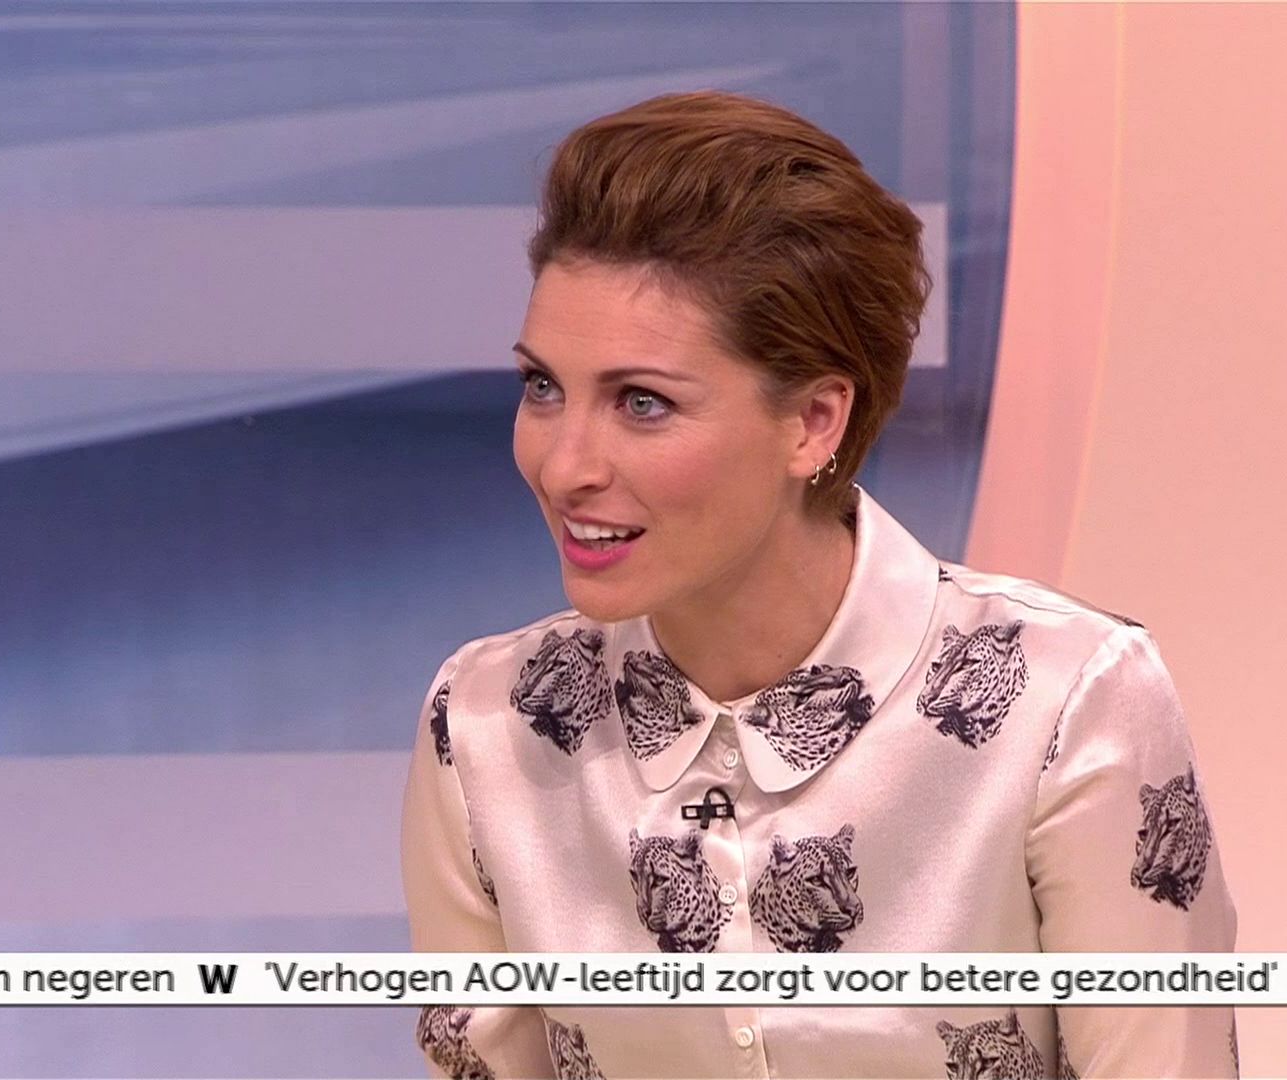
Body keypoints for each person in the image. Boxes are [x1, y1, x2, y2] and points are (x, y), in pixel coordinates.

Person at [400, 90, 1238, 1080]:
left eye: (642, 403)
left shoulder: (1069, 702)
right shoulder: (486, 723)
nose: (563, 464)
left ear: (812, 424)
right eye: (543, 387)